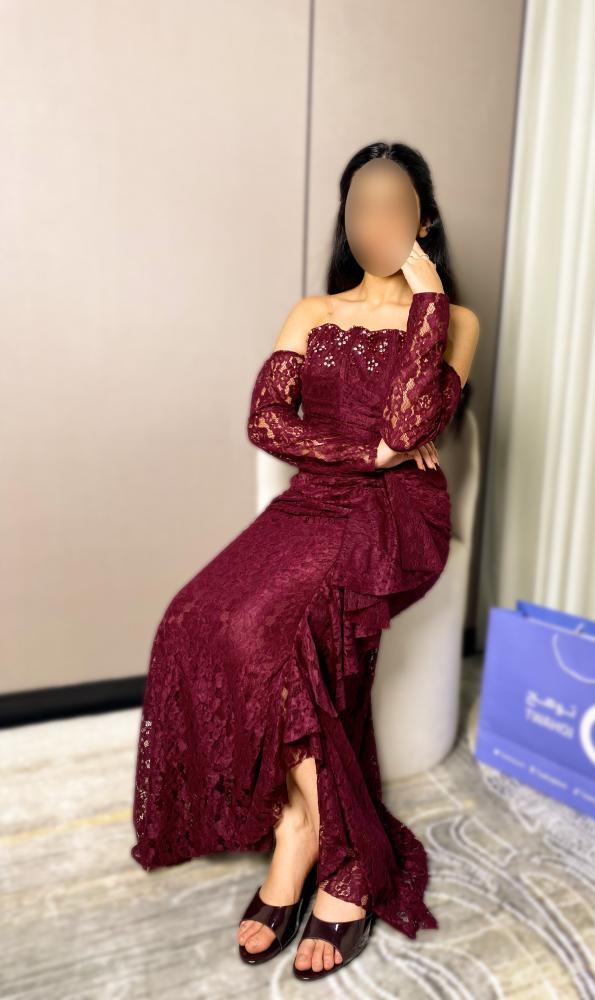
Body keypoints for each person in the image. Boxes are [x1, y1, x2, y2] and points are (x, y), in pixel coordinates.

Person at [129, 140, 479, 981]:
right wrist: (367, 453)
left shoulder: (454, 320)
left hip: (396, 515)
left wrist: (427, 298)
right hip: (315, 499)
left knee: (281, 639)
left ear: (424, 219)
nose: (375, 222)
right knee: (196, 616)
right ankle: (301, 823)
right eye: (360, 207)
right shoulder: (313, 311)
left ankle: (333, 854)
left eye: (394, 206)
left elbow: (409, 427)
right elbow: (266, 421)